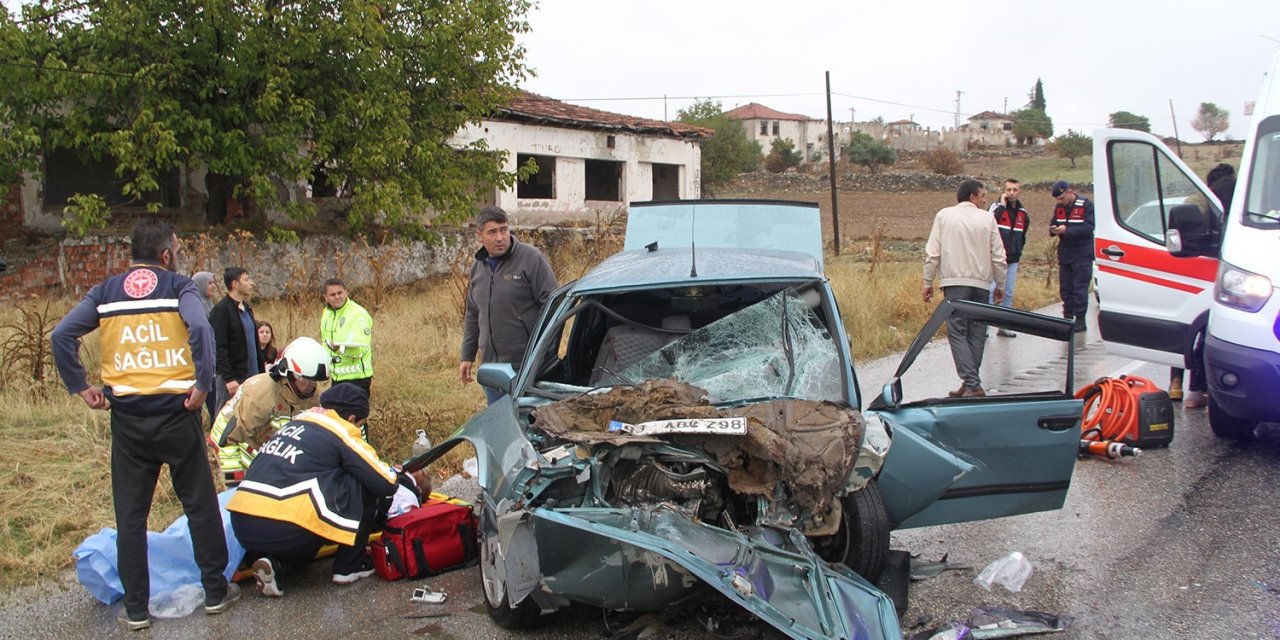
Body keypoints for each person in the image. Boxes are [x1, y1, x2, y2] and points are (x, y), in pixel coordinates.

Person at [51, 219, 239, 630]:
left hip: (129, 422)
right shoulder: (178, 286)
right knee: (200, 507)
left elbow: (61, 336)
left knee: (130, 518)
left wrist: (81, 387)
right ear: (167, 254)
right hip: (177, 413)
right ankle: (214, 593)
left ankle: (136, 610)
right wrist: (203, 386)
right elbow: (201, 329)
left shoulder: (106, 292)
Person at [228, 383, 399, 597]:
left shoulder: (297, 422)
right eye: (361, 425)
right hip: (285, 527)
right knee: (361, 480)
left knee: (306, 524)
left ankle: (276, 566)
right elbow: (385, 482)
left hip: (243, 525)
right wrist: (397, 472)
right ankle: (350, 566)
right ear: (353, 419)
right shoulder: (340, 429)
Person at [460, 206, 558, 404]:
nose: (500, 237)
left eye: (504, 230)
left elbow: (554, 306)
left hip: (525, 367)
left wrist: (543, 353)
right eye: (492, 232)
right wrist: (467, 355)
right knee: (500, 424)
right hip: (492, 369)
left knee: (526, 425)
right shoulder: (478, 267)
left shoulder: (531, 259)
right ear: (479, 235)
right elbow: (473, 312)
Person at [923, 179, 1008, 398]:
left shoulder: (944, 216)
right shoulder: (988, 218)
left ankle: (971, 382)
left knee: (957, 332)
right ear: (972, 196)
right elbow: (999, 255)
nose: (985, 200)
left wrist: (927, 281)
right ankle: (971, 382)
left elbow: (933, 252)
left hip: (955, 283)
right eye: (982, 196)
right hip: (981, 284)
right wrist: (1000, 284)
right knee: (977, 332)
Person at [210, 337, 330, 484]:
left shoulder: (311, 395)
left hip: (260, 442)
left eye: (315, 381)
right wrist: (234, 481)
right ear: (289, 373)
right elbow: (229, 439)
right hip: (230, 443)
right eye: (306, 380)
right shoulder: (262, 396)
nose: (311, 386)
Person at [1171, 163, 1236, 408]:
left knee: (1193, 328)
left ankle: (1189, 388)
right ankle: (1194, 388)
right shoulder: (1215, 200)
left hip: (1214, 273)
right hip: (1210, 272)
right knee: (1201, 329)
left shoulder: (1207, 200)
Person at [209, 267, 262, 413]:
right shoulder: (221, 310)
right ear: (235, 284)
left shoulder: (247, 308)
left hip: (252, 375)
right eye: (246, 280)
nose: (251, 283)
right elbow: (219, 346)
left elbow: (254, 343)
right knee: (226, 417)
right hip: (233, 378)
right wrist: (228, 378)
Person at [1049, 180, 1095, 333]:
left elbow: (1089, 227)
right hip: (1066, 253)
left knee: (1080, 288)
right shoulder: (1059, 207)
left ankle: (1080, 320)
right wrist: (1053, 230)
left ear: (1070, 191)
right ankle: (1067, 317)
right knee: (1066, 288)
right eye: (1058, 199)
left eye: (1062, 198)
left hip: (1082, 252)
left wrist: (1066, 230)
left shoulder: (1085, 205)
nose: (1060, 202)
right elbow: (1054, 222)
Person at [320, 279, 373, 396]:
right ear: (326, 297)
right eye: (332, 294)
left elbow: (362, 350)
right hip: (336, 378)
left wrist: (338, 349)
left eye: (340, 293)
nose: (337, 297)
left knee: (353, 414)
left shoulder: (359, 314)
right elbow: (325, 343)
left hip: (357, 378)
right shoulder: (326, 313)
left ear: (346, 292)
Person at [990, 179, 1029, 337]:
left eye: (1015, 190)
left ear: (1019, 192)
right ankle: (984, 326)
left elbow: (1023, 235)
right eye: (1009, 190)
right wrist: (1002, 207)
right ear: (1004, 191)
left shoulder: (1023, 213)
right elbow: (988, 223)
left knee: (1008, 292)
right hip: (995, 258)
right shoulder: (996, 208)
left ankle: (1004, 326)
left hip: (1013, 258)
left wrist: (1018, 251)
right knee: (991, 291)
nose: (1012, 193)